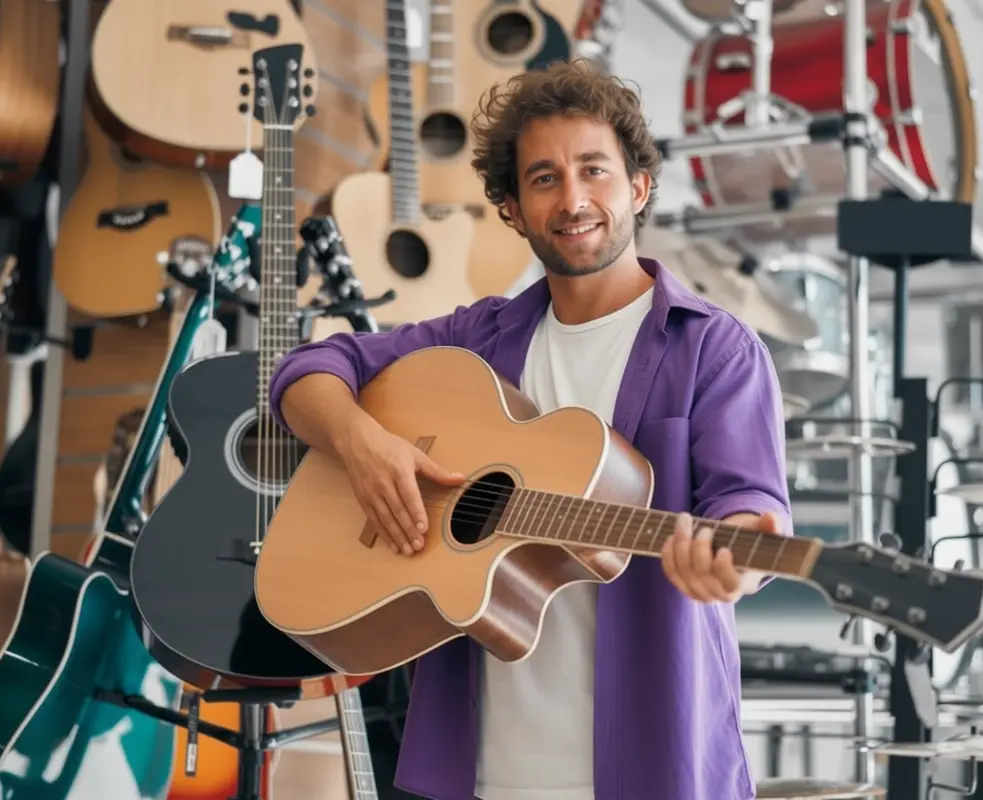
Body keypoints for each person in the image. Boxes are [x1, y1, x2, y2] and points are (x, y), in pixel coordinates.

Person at [270, 60, 791, 800]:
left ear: (638, 188)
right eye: (545, 178)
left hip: (655, 767)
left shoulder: (715, 349)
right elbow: (308, 370)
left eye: (594, 170)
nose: (573, 199)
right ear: (512, 209)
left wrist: (736, 558)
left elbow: (750, 508)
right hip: (477, 772)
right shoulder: (477, 340)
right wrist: (364, 446)